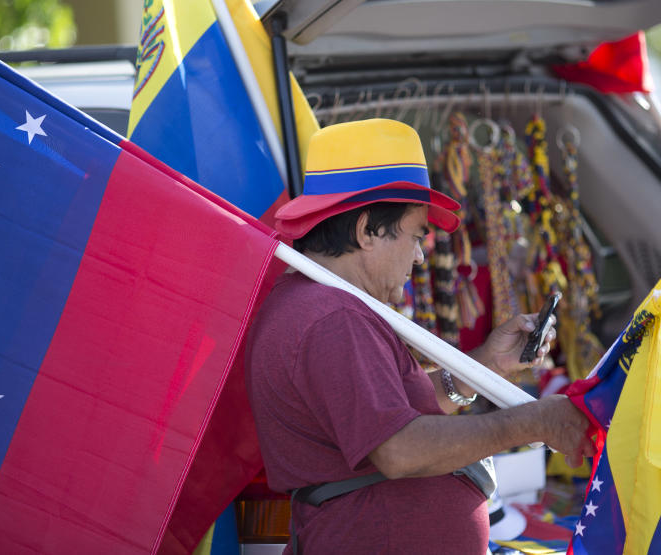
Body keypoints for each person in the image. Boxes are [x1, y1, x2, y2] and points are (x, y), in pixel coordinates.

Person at [245, 119, 595, 554]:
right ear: (367, 231)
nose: (419, 254)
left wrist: (484, 366)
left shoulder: (327, 307)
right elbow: (399, 450)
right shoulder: (331, 318)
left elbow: (386, 412)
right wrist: (533, 421)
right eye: (415, 235)